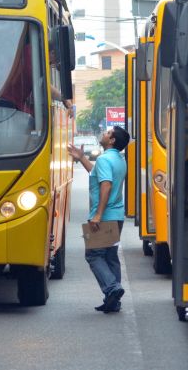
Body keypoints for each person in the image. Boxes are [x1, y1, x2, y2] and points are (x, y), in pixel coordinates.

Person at [67, 125, 130, 313]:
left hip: (105, 217)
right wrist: (82, 158)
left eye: (108, 132)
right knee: (110, 257)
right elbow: (98, 174)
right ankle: (113, 301)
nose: (104, 133)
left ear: (112, 141)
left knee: (93, 255)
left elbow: (106, 185)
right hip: (117, 216)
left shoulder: (104, 159)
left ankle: (112, 288)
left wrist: (98, 215)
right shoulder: (119, 159)